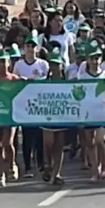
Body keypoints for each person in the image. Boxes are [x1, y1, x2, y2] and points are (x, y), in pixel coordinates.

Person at [75, 41, 105, 181]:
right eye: (92, 58)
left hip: (102, 113)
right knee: (89, 143)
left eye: (97, 58)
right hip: (88, 113)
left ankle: (104, 166)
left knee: (99, 140)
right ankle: (94, 171)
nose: (94, 61)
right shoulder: (83, 77)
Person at [14, 32, 49, 177]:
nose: (30, 48)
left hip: (40, 104)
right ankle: (27, 165)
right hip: (25, 104)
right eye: (28, 46)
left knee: (40, 137)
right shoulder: (19, 64)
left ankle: (40, 164)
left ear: (37, 48)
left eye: (33, 46)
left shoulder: (43, 64)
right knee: (27, 136)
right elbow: (15, 81)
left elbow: (47, 81)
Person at [0, 50, 20, 187]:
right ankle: (1, 174)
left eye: (4, 61)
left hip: (10, 115)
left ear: (9, 63)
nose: (2, 64)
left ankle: (12, 164)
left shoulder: (14, 78)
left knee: (7, 142)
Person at [41, 48, 67, 185]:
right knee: (48, 144)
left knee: (59, 145)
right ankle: (48, 165)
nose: (55, 67)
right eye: (52, 64)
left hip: (62, 116)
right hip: (47, 117)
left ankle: (57, 173)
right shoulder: (44, 81)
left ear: (61, 66)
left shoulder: (67, 82)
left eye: (57, 64)